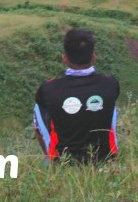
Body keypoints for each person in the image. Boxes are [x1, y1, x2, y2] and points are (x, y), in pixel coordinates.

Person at [33, 28, 120, 163]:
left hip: (65, 162)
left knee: (40, 107)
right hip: (104, 159)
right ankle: (112, 153)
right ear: (93, 57)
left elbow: (38, 129)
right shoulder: (110, 84)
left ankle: (51, 159)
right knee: (110, 103)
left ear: (64, 58)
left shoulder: (48, 89)